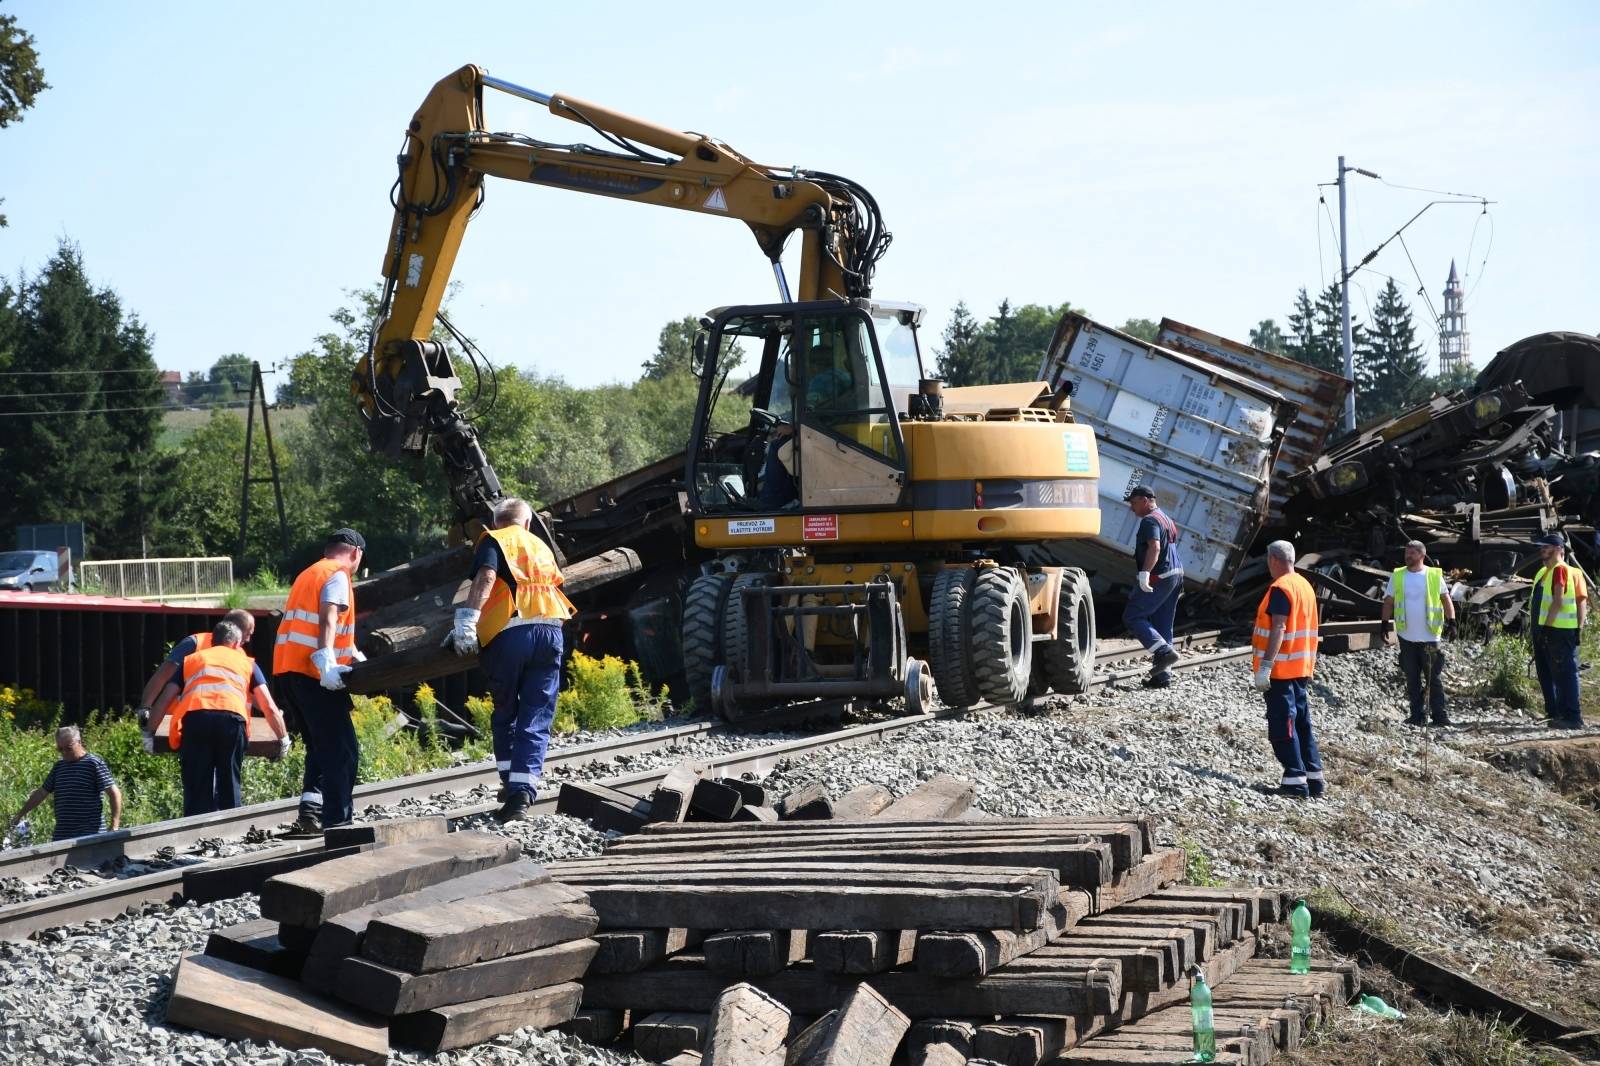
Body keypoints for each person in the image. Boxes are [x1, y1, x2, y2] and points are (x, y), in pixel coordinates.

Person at [447, 497, 574, 823]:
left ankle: (510, 784)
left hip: (511, 634)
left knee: (506, 711)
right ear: (528, 523)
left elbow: (487, 577)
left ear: (496, 521)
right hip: (551, 633)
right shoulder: (541, 547)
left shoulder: (494, 540)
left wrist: (467, 621)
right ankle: (521, 793)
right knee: (536, 716)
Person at [274, 528, 367, 833]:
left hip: (290, 671)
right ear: (355, 553)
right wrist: (327, 659)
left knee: (319, 748)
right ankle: (338, 822)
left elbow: (321, 623)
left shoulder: (307, 574)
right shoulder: (338, 573)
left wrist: (353, 654)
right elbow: (328, 616)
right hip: (315, 675)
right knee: (343, 751)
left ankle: (311, 813)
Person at [148, 620, 290, 815]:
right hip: (231, 723)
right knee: (229, 786)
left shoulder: (192, 661)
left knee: (196, 789)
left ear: (213, 640)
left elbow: (164, 700)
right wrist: (283, 740)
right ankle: (231, 837)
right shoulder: (247, 664)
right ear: (236, 644)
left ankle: (194, 838)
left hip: (195, 722)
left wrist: (148, 735)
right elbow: (269, 706)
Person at [1252, 540, 1326, 799]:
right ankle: (1313, 777)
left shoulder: (1280, 588)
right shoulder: (1304, 585)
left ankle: (1295, 780)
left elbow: (1279, 627)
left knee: (1282, 724)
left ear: (1273, 559)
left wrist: (1266, 665)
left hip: (1282, 670)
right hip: (1301, 667)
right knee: (1302, 724)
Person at [1381, 540, 1457, 726]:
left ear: (1422, 555)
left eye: (1412, 553)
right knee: (1412, 679)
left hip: (1430, 637)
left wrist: (1452, 622)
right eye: (1407, 552)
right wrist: (1384, 622)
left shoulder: (1432, 575)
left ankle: (1440, 715)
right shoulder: (1398, 575)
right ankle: (1418, 715)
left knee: (1434, 679)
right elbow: (1389, 601)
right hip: (1406, 636)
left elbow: (1445, 599)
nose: (1408, 556)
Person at [5, 726, 123, 842]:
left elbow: (114, 793)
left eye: (68, 748)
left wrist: (114, 826)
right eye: (60, 749)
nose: (64, 753)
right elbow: (41, 793)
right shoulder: (59, 766)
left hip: (90, 834)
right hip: (62, 835)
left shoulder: (93, 763)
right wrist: (19, 815)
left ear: (79, 742)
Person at [1121, 486, 1183, 684]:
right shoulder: (1165, 517)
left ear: (1145, 500)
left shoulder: (1150, 520)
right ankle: (1162, 676)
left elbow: (1155, 547)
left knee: (1133, 615)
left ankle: (1164, 652)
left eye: (1133, 502)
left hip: (1161, 576)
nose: (1132, 508)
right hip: (1176, 573)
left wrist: (1145, 573)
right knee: (1162, 624)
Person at [1528, 533, 1588, 728]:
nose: (1542, 550)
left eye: (1546, 547)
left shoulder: (1562, 571)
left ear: (1559, 549)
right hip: (1544, 630)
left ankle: (1572, 716)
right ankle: (1555, 712)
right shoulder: (1542, 573)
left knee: (1565, 673)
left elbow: (1564, 601)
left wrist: (1578, 627)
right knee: (1548, 672)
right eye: (1541, 547)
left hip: (1557, 631)